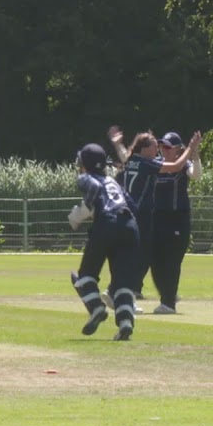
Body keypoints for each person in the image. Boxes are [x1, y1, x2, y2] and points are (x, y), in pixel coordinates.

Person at [106, 126, 197, 312]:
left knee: (137, 257)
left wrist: (118, 145)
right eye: (156, 146)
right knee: (138, 259)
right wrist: (191, 148)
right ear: (145, 148)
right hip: (140, 217)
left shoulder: (132, 160)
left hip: (130, 215)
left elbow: (125, 156)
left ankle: (119, 293)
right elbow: (176, 166)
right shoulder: (148, 163)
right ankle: (118, 294)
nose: (159, 150)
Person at [67, 143, 140, 341]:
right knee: (123, 282)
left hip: (106, 223)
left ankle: (96, 308)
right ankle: (125, 323)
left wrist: (75, 218)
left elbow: (92, 192)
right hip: (129, 225)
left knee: (86, 275)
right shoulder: (114, 182)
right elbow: (133, 206)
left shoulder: (88, 178)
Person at [150, 130, 202, 314]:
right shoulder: (156, 165)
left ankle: (168, 303)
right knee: (154, 260)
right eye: (162, 146)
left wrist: (195, 155)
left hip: (177, 219)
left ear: (178, 150)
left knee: (171, 261)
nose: (164, 150)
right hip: (156, 218)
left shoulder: (184, 165)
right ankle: (168, 294)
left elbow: (195, 175)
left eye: (168, 147)